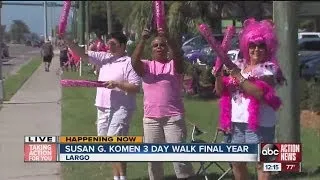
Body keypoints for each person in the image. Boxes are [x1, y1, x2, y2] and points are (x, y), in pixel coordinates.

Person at [63, 32, 141, 180]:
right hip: (103, 107)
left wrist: (118, 84)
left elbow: (136, 87)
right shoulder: (104, 58)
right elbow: (81, 54)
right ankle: (116, 177)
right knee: (106, 144)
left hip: (121, 108)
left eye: (113, 44)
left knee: (115, 142)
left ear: (123, 46)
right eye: (108, 43)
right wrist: (67, 39)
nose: (109, 46)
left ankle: (123, 177)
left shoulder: (129, 63)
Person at [214, 18, 285, 180]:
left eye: (261, 45)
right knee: (237, 161)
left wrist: (238, 77)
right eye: (252, 45)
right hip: (237, 123)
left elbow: (258, 93)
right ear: (247, 46)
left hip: (261, 124)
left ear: (268, 48)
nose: (256, 49)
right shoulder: (239, 65)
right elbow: (220, 91)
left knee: (262, 162)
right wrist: (218, 74)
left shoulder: (270, 68)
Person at [131, 28, 195, 180]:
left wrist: (168, 37)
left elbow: (178, 55)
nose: (159, 47)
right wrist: (143, 39)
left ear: (167, 49)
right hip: (151, 120)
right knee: (153, 160)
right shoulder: (146, 66)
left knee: (179, 159)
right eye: (155, 45)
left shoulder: (173, 65)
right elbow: (134, 61)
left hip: (173, 119)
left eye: (162, 45)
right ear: (151, 49)